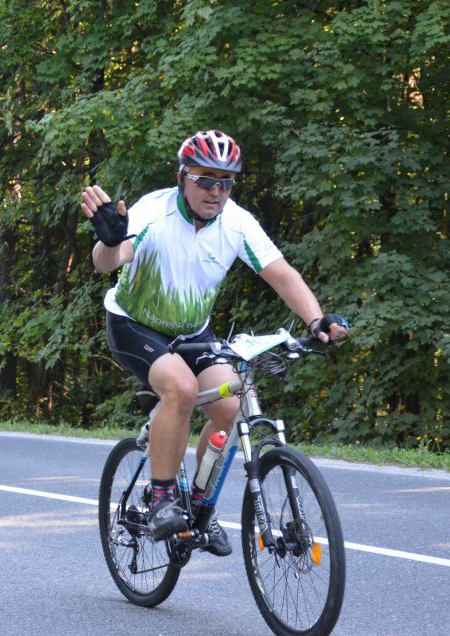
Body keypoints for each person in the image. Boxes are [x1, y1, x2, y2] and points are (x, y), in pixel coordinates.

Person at [81, 130, 348, 555]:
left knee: (231, 404)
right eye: (205, 179)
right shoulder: (154, 209)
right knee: (182, 390)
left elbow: (281, 274)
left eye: (226, 182)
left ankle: (200, 505)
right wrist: (108, 242)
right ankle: (164, 498)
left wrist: (316, 320)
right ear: (182, 177)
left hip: (192, 332)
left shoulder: (236, 222)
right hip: (134, 325)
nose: (216, 191)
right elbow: (108, 263)